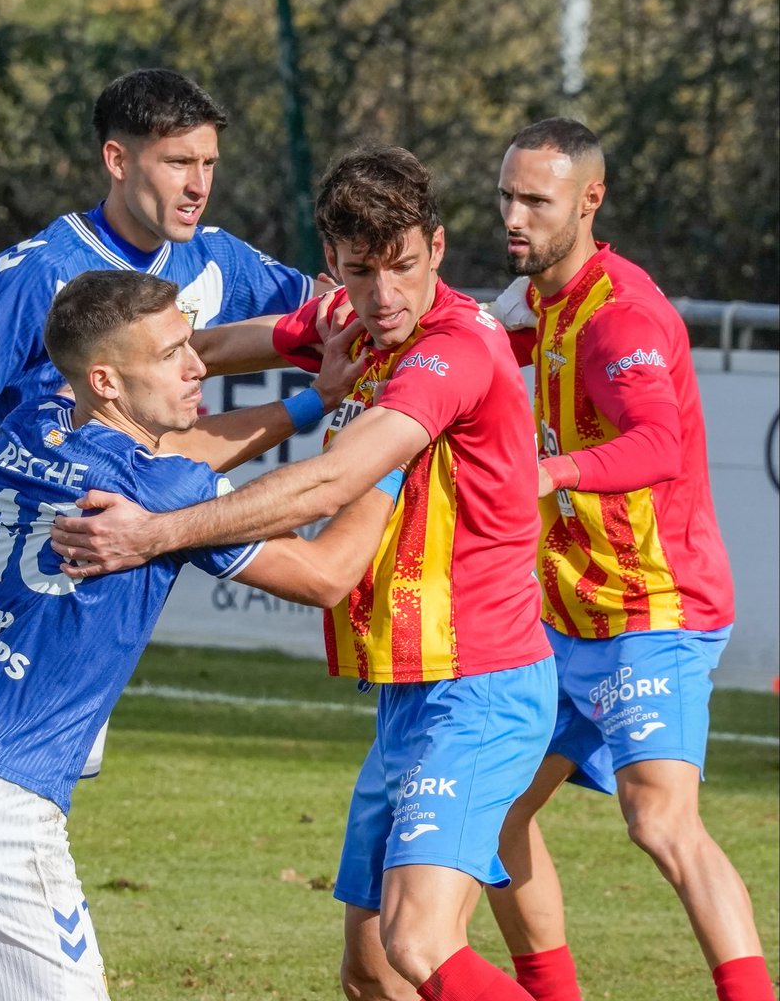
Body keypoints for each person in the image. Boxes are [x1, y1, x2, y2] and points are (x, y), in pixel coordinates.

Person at [52, 147, 559, 1001]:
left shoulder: (454, 351)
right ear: (333, 263)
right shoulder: (348, 321)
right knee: (369, 971)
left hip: (483, 684)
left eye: (403, 267)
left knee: (419, 941)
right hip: (411, 687)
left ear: (436, 248)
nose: (385, 295)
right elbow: (191, 350)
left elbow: (332, 480)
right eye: (361, 272)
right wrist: (79, 390)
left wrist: (157, 532)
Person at [0, 270, 396, 1001]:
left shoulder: (30, 423)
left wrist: (313, 401)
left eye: (192, 345)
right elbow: (325, 574)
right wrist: (394, 453)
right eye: (172, 354)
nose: (198, 366)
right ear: (106, 380)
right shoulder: (160, 490)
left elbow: (174, 459)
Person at [0, 66, 327, 777]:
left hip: (109, 551)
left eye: (208, 164)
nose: (198, 185)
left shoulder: (216, 258)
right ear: (117, 159)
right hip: (8, 565)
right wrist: (45, 506)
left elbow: (326, 307)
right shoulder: (40, 271)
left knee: (40, 775)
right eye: (177, 163)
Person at [480, 118, 773, 1001]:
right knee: (492, 815)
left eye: (537, 200)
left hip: (654, 608)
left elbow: (660, 445)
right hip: (565, 614)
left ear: (589, 202)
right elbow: (471, 340)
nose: (516, 217)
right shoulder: (539, 300)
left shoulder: (621, 317)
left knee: (661, 821)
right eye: (507, 196)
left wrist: (551, 471)